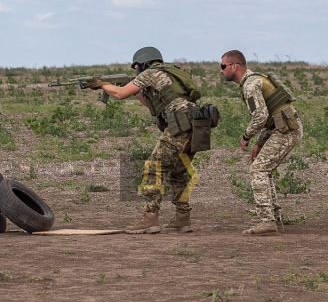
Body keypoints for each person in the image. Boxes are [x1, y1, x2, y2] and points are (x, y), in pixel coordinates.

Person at [84, 47, 202, 234]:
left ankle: (150, 218)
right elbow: (153, 106)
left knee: (153, 167)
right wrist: (135, 88)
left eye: (137, 67)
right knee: (177, 172)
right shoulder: (168, 71)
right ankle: (182, 218)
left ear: (142, 63)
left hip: (181, 123)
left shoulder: (150, 73)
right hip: (197, 123)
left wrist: (101, 85)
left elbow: (121, 94)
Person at [220, 50, 303, 236]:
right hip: (283, 129)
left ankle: (268, 222)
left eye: (223, 66)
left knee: (258, 170)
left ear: (235, 66)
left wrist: (246, 136)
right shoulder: (255, 80)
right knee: (264, 170)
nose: (221, 70)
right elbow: (270, 117)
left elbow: (260, 117)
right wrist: (260, 142)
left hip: (286, 131)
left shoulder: (250, 85)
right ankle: (275, 221)